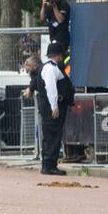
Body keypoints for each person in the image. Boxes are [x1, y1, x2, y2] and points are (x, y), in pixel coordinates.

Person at [34, 41, 74, 175]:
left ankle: (48, 164)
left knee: (51, 136)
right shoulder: (50, 68)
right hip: (51, 108)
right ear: (58, 55)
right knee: (53, 136)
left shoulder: (50, 67)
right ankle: (49, 166)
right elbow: (51, 88)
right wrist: (55, 106)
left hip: (50, 107)